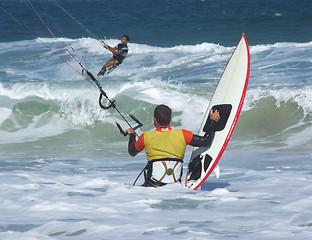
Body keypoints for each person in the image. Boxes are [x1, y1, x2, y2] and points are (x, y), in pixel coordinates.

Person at [126, 104, 221, 187]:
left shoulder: (145, 137)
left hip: (152, 186)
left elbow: (132, 151)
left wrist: (132, 134)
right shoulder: (183, 134)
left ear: (154, 119)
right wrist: (213, 121)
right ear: (171, 119)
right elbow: (206, 141)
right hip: (174, 185)